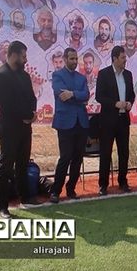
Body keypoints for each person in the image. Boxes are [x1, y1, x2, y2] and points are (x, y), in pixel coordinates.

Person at [0, 40, 40, 218]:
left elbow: (32, 98)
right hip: (9, 129)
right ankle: (2, 207)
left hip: (25, 128)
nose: (25, 60)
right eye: (23, 56)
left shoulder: (24, 76)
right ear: (13, 55)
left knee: (22, 164)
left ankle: (25, 197)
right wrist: (26, 115)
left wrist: (32, 114)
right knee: (5, 167)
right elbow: (7, 105)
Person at [49, 48, 90, 203]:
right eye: (71, 58)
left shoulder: (81, 78)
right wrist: (78, 96)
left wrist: (72, 94)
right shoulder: (57, 75)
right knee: (65, 157)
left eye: (76, 59)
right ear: (65, 59)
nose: (74, 61)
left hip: (81, 123)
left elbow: (86, 95)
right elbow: (61, 95)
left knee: (78, 158)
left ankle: (71, 189)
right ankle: (55, 191)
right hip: (65, 123)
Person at [95, 45, 135, 195]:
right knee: (106, 152)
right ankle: (103, 184)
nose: (125, 60)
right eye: (123, 57)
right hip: (108, 120)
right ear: (115, 58)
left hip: (123, 120)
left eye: (125, 57)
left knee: (124, 152)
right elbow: (99, 96)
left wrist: (130, 102)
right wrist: (115, 103)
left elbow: (132, 94)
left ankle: (123, 181)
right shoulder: (104, 74)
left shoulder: (128, 75)